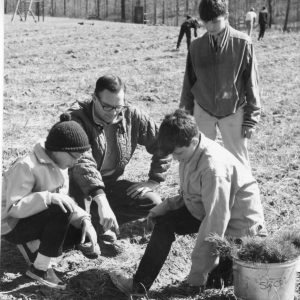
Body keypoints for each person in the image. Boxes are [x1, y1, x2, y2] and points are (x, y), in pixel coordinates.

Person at [109, 109, 267, 298]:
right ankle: (138, 286)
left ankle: (218, 274)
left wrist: (197, 276)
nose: (175, 158)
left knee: (216, 283)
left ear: (193, 141)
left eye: (178, 153)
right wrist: (163, 208)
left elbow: (215, 223)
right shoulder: (190, 152)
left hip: (237, 232)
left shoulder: (213, 168)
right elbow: (190, 195)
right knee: (165, 223)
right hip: (209, 212)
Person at [68, 74, 171, 255]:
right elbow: (83, 163)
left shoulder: (131, 115)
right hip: (76, 188)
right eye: (107, 106)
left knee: (152, 202)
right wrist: (102, 202)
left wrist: (154, 180)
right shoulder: (75, 119)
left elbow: (164, 143)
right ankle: (88, 226)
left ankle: (99, 224)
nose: (113, 112)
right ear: (94, 98)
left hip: (108, 185)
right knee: (71, 238)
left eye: (118, 106)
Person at [1, 113, 100, 290]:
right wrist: (48, 197)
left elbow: (65, 199)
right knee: (60, 210)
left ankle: (37, 247)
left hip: (37, 217)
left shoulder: (60, 165)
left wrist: (85, 220)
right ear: (59, 150)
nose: (77, 161)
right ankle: (40, 269)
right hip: (13, 225)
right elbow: (13, 208)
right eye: (75, 156)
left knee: (79, 231)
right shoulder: (26, 166)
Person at [179, 0, 260, 171]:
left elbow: (252, 82)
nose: (210, 27)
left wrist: (251, 120)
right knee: (198, 157)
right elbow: (188, 82)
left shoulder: (243, 43)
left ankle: (242, 196)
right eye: (206, 22)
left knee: (238, 161)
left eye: (215, 21)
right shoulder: (196, 46)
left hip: (233, 108)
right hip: (203, 108)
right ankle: (198, 194)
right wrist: (184, 115)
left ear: (226, 16)